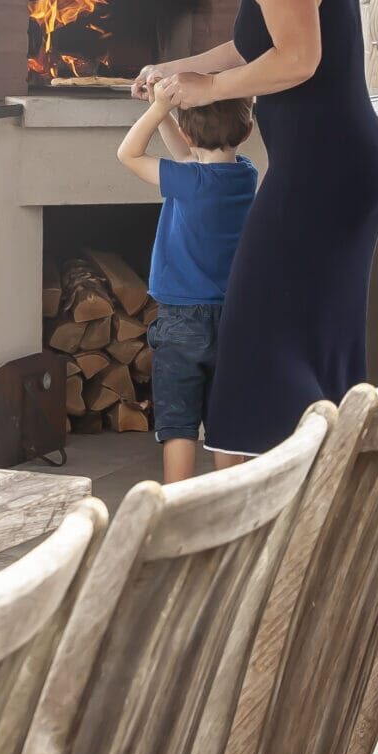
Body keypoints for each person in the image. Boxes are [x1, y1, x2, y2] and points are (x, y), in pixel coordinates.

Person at [136, 0, 378, 457]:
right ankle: (321, 469)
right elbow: (265, 42)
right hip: (342, 164)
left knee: (257, 329)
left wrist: (208, 86)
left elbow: (299, 59)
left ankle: (252, 486)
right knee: (315, 332)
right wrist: (181, 71)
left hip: (322, 172)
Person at [114, 76, 258, 483]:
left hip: (181, 322)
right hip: (233, 318)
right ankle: (228, 504)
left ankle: (177, 507)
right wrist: (168, 119)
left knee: (178, 422)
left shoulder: (189, 181)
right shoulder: (245, 176)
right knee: (225, 420)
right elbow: (189, 159)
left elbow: (128, 153)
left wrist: (158, 108)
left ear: (186, 128)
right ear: (247, 131)